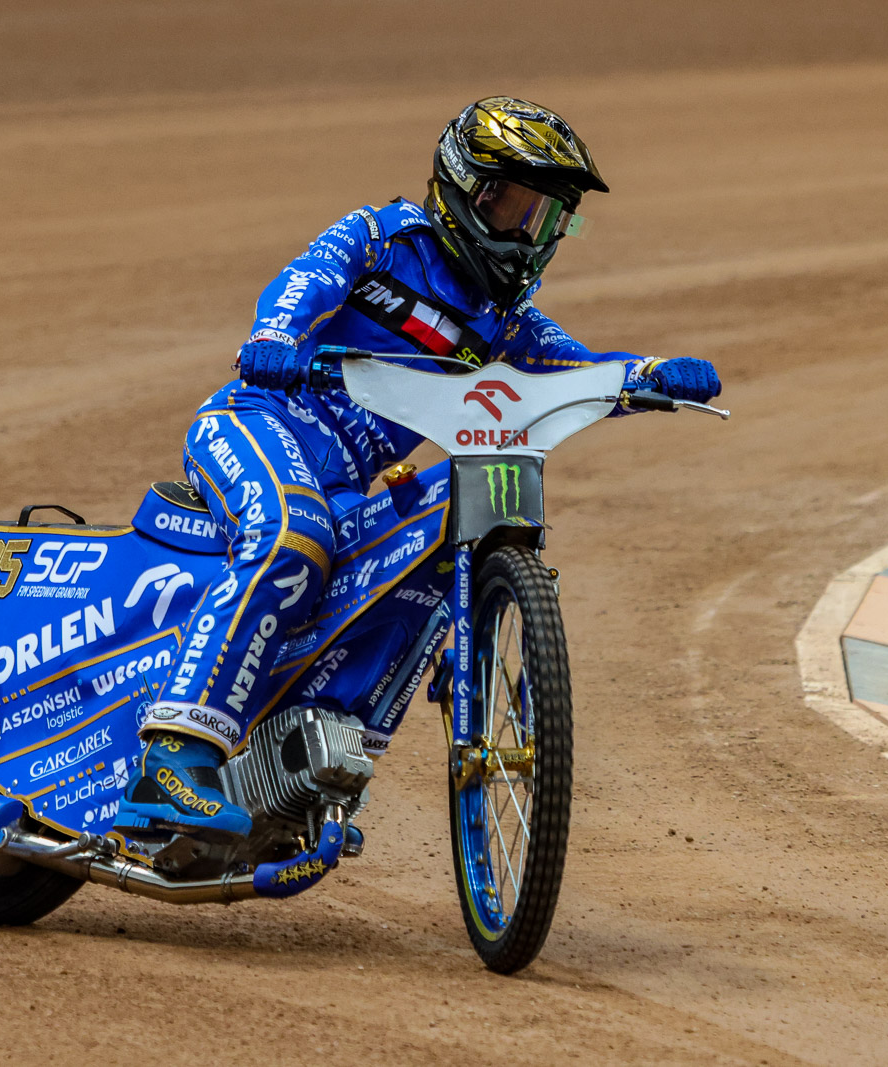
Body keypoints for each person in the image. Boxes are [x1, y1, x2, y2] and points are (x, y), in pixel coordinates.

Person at [113, 96, 721, 845]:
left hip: (341, 486)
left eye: (544, 217)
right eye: (515, 208)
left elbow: (575, 370)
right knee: (293, 533)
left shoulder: (504, 322)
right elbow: (305, 281)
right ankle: (173, 756)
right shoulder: (378, 238)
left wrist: (651, 374)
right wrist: (274, 336)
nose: (527, 235)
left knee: (431, 544)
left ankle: (310, 773)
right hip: (254, 425)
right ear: (465, 190)